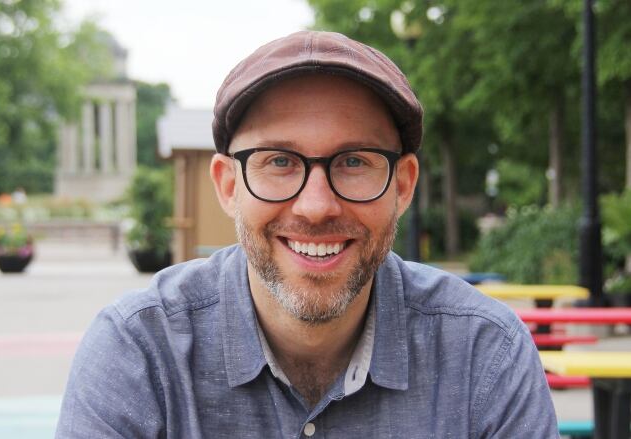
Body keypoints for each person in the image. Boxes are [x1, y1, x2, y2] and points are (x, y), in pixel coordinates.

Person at [56, 31, 557, 438]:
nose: (316, 206)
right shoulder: (140, 351)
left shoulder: (484, 352)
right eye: (279, 161)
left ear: (402, 186)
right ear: (228, 186)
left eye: (355, 161)